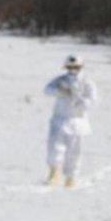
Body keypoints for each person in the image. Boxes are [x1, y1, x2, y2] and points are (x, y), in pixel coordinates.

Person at [42, 54, 98, 188]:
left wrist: (81, 102)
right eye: (70, 67)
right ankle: (54, 173)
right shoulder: (60, 80)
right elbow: (47, 90)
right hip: (60, 119)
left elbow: (93, 99)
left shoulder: (87, 82)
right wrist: (60, 91)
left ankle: (71, 177)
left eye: (76, 67)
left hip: (77, 121)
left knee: (74, 151)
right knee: (54, 148)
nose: (73, 70)